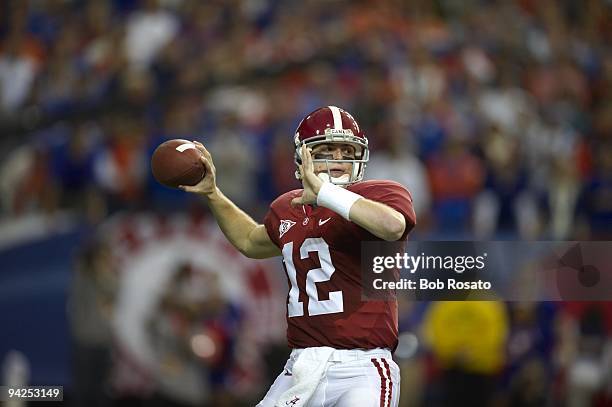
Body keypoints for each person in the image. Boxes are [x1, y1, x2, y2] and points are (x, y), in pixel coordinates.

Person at [180, 106, 416, 407]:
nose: (339, 159)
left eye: (347, 150)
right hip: (303, 364)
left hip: (362, 366)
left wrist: (325, 194)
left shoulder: (379, 193)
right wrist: (213, 193)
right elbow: (251, 241)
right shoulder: (287, 207)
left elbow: (392, 225)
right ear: (304, 157)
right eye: (327, 150)